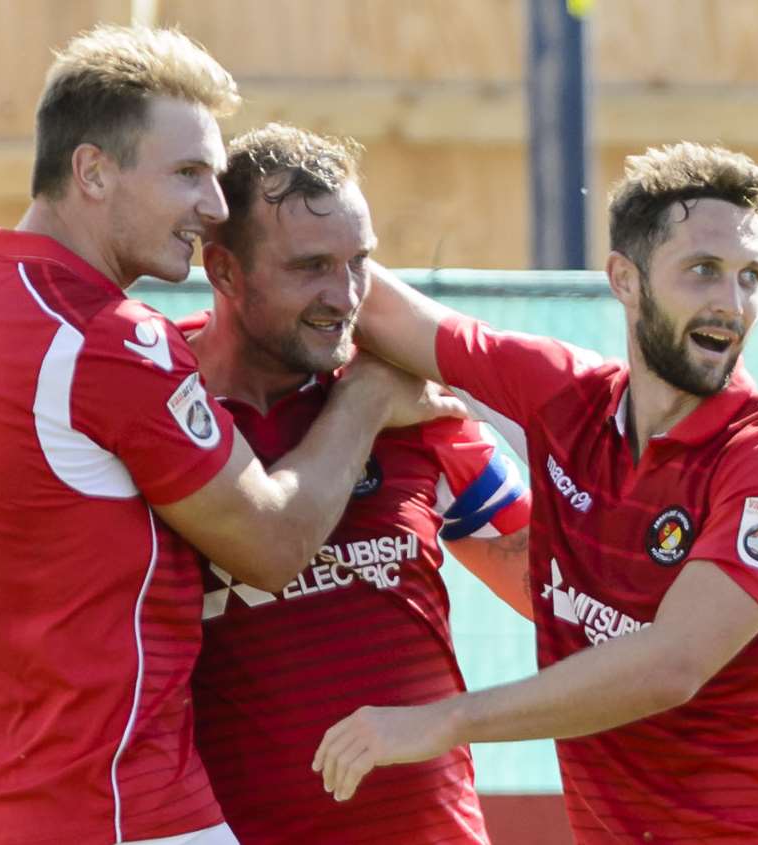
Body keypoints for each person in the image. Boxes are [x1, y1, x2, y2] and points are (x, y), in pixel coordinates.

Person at [0, 25, 461, 845]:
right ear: (92, 171)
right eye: (189, 173)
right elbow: (271, 542)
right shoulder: (105, 340)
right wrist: (371, 394)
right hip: (116, 813)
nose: (216, 206)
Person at [312, 142, 758, 844]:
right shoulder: (564, 398)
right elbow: (383, 311)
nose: (733, 303)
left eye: (752, 276)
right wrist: (228, 200)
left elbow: (669, 666)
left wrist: (444, 718)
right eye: (703, 271)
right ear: (625, 279)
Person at [186, 123, 531, 844]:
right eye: (311, 266)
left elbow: (543, 577)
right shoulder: (151, 401)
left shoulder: (412, 400)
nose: (343, 296)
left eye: (360, 263)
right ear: (224, 271)